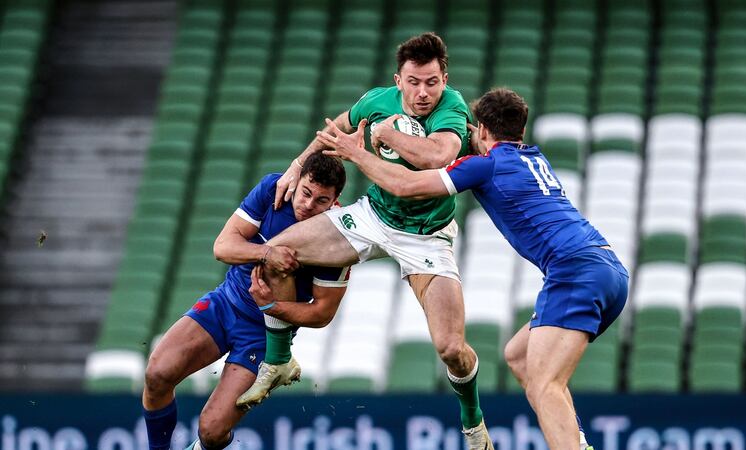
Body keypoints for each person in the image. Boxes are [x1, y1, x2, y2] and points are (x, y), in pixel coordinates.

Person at [317, 87, 629, 450]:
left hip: (575, 272)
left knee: (546, 385)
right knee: (519, 356)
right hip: (609, 269)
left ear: (481, 130)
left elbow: (405, 186)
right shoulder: (532, 156)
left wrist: (359, 152)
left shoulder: (485, 164)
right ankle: (578, 442)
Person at [237, 32, 494, 449]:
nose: (423, 92)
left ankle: (473, 423)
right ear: (398, 80)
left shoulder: (453, 108)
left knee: (451, 348)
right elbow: (336, 127)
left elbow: (435, 157)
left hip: (426, 238)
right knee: (276, 252)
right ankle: (279, 359)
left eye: (432, 82)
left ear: (445, 79)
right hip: (373, 216)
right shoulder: (377, 101)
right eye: (414, 82)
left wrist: (388, 136)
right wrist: (296, 166)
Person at [141, 153, 350, 450]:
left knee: (211, 432)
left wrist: (271, 307)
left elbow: (322, 313)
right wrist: (266, 253)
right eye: (306, 193)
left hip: (263, 335)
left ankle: (277, 363)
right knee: (157, 374)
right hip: (225, 303)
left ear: (335, 200)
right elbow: (223, 246)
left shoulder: (338, 238)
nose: (308, 205)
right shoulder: (273, 190)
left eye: (321, 200)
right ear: (298, 180)